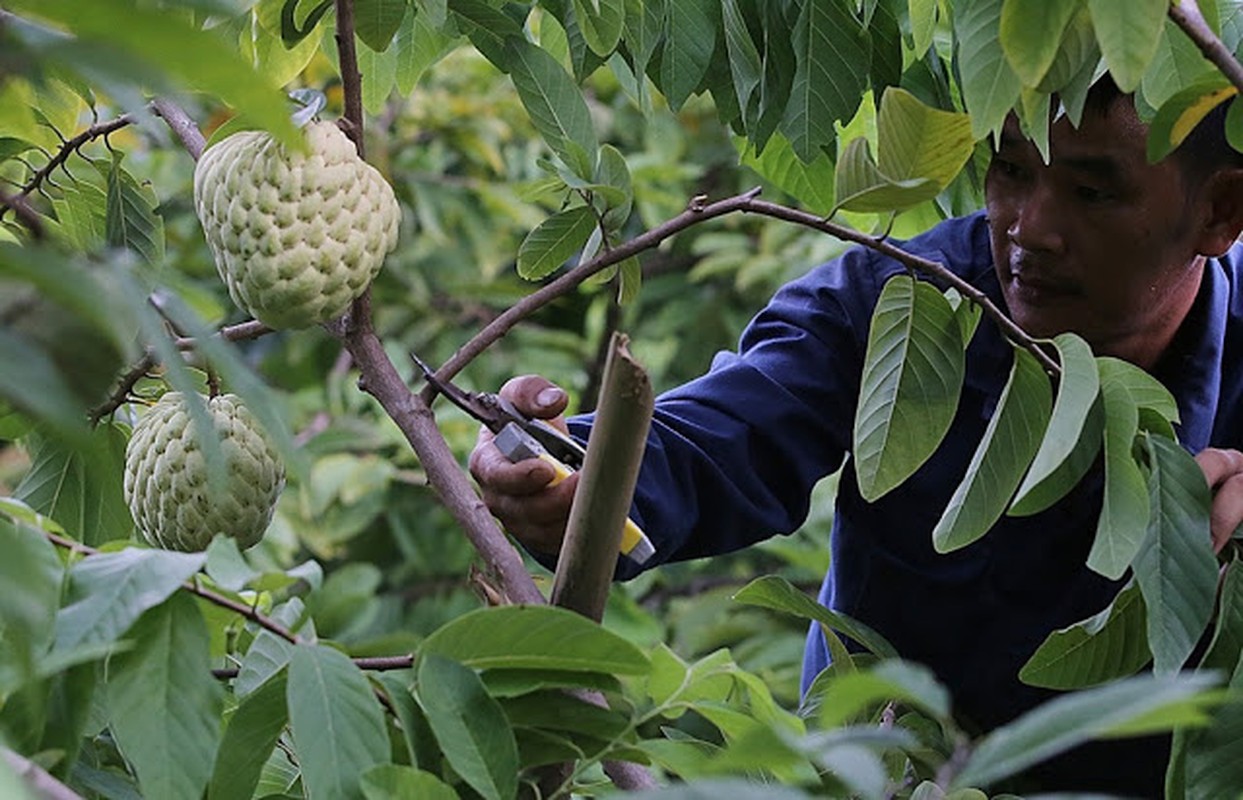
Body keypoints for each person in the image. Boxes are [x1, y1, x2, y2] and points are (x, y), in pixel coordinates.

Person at [469, 77, 1243, 795]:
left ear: (1218, 212)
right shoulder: (899, 302)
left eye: (1090, 190)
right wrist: (568, 469)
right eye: (1010, 171)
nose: (1030, 228)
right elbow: (724, 432)